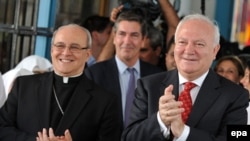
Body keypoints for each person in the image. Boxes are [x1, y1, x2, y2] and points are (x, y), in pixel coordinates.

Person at [121, 14, 249, 141]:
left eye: (199, 44)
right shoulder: (148, 86)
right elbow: (128, 137)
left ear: (215, 50)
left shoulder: (236, 96)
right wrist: (160, 120)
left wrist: (184, 133)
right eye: (182, 42)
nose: (189, 50)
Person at [0, 24, 122, 141]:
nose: (66, 53)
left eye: (74, 47)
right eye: (60, 46)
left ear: (87, 55)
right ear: (52, 50)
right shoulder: (23, 86)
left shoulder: (105, 101)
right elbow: (2, 129)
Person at [85, 9, 163, 129]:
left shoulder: (157, 76)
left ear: (143, 40)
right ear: (114, 37)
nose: (127, 41)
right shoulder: (94, 74)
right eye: (122, 34)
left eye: (134, 35)